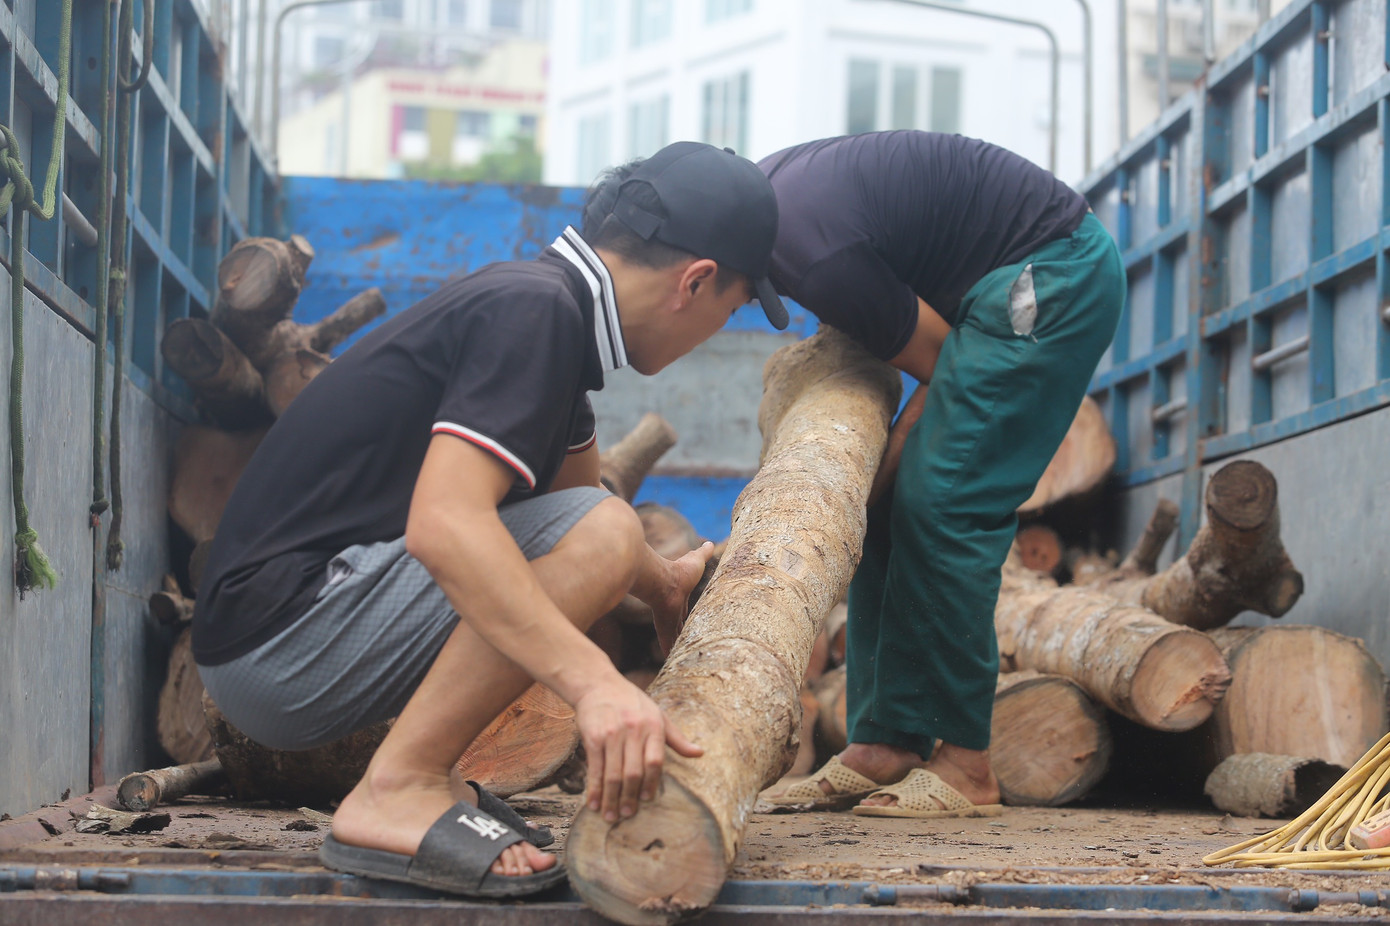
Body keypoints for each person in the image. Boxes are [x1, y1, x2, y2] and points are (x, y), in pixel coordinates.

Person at [191, 141, 788, 898]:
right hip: (277, 643)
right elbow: (447, 526)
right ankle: (397, 787)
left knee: (603, 525)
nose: (716, 329)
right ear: (695, 282)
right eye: (730, 310)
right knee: (604, 529)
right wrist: (596, 684)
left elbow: (577, 510)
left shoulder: (551, 314)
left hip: (288, 630)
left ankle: (422, 779)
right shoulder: (534, 314)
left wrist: (665, 585)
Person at [758, 130, 1124, 818]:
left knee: (946, 504)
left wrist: (878, 473)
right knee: (893, 503)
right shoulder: (770, 198)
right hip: (995, 283)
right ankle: (882, 744)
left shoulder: (817, 257)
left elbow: (937, 358)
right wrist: (862, 492)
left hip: (1050, 273)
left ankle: (965, 765)